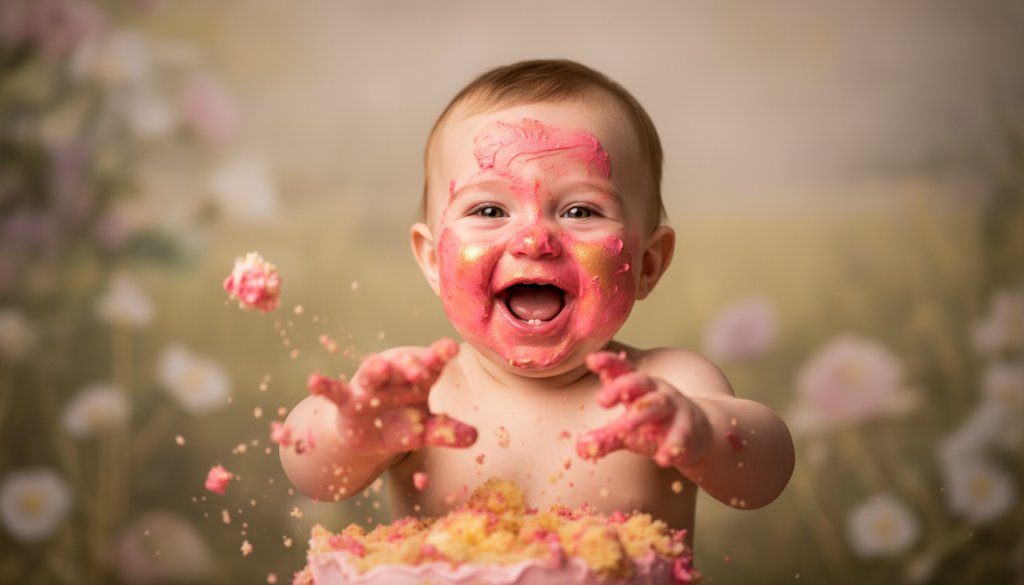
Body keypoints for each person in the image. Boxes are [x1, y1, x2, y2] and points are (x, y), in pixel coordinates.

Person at [280, 59, 795, 541]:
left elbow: (764, 477)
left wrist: (702, 434)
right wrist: (350, 433)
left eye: (579, 211)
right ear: (433, 260)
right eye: (487, 209)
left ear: (648, 264)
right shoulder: (419, 393)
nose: (534, 240)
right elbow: (315, 475)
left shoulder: (666, 388)